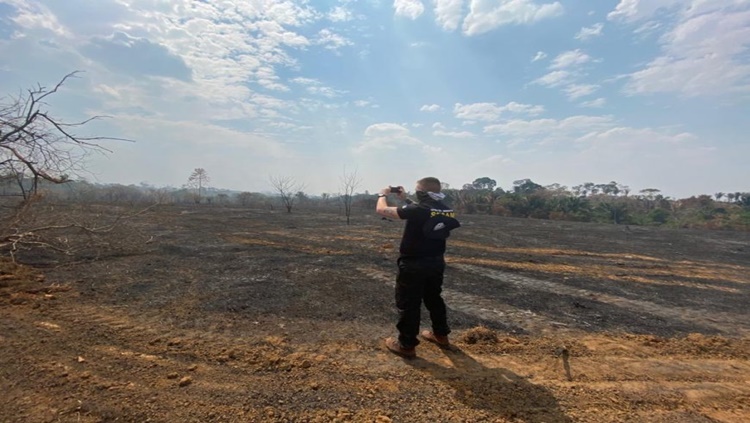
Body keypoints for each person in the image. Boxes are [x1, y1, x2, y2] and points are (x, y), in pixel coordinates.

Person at [375, 177, 460, 358]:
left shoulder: (419, 209)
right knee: (434, 298)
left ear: (421, 192)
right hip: (436, 262)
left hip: (413, 263)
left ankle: (406, 345)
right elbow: (425, 211)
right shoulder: (446, 209)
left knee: (409, 303)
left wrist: (383, 194)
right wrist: (405, 199)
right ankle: (441, 335)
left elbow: (381, 209)